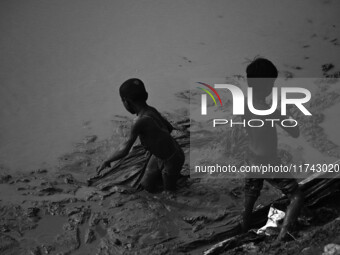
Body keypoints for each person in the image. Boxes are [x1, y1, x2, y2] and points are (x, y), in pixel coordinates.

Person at [241, 58, 304, 240]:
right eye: (272, 83)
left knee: (250, 198)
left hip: (251, 157)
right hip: (268, 161)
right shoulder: (269, 111)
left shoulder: (245, 102)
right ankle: (282, 237)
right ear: (267, 84)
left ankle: (242, 229)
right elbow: (295, 132)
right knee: (296, 196)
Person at [97, 78, 185, 193]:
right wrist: (154, 145)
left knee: (169, 192)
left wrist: (107, 160)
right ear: (146, 95)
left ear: (126, 102)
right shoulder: (151, 110)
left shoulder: (138, 122)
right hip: (167, 153)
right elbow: (168, 128)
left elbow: (124, 149)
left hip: (171, 160)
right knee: (146, 185)